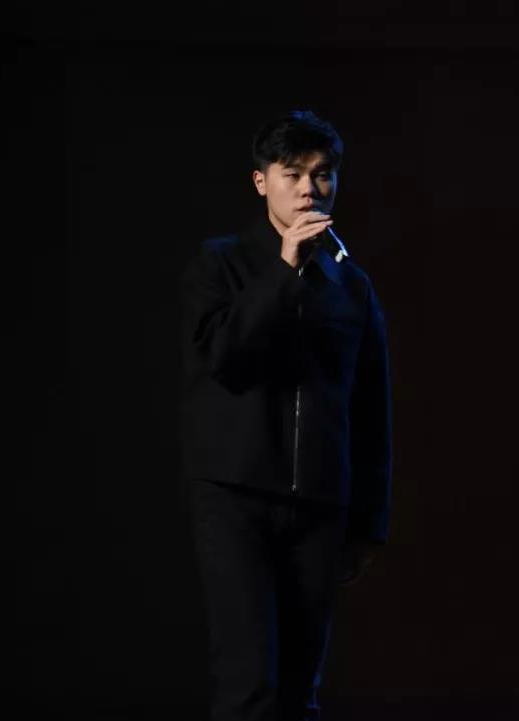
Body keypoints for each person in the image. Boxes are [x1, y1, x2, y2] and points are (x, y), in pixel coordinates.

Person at [178, 109, 392, 721]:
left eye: (322, 174)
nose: (308, 189)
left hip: (319, 508)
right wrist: (284, 268)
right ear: (261, 181)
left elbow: (370, 408)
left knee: (301, 691)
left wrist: (366, 525)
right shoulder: (221, 264)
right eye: (291, 173)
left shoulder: (352, 284)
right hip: (236, 499)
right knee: (250, 686)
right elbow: (224, 361)